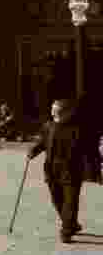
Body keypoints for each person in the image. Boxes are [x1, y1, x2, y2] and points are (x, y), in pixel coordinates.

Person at [27, 99, 93, 243]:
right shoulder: (48, 126)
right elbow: (42, 142)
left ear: (66, 112)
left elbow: (89, 150)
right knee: (57, 200)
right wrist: (33, 151)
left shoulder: (78, 129)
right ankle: (71, 224)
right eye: (52, 108)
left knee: (70, 201)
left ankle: (66, 231)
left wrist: (93, 169)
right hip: (52, 169)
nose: (52, 110)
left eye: (55, 108)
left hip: (72, 170)